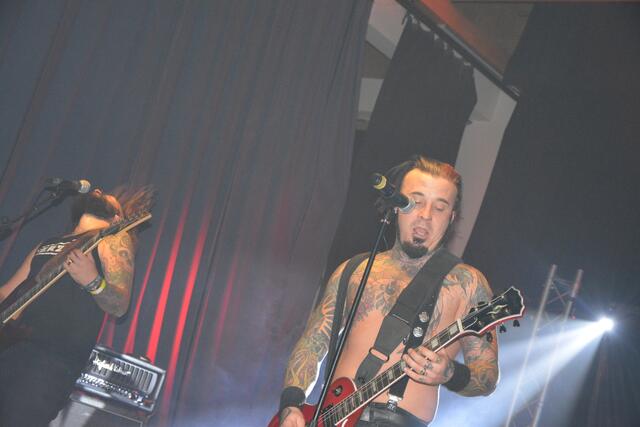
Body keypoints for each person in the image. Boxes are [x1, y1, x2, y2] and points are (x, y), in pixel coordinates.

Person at [278, 155, 499, 426]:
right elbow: (313, 343)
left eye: (440, 207)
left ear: (451, 217)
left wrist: (450, 373)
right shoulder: (355, 269)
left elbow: (487, 376)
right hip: (328, 417)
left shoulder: (469, 283)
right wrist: (291, 404)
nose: (426, 215)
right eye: (415, 202)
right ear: (396, 206)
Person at [0, 187, 151, 426]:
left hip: (50, 361)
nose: (99, 190)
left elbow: (119, 305)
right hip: (11, 347)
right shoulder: (48, 244)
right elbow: (7, 292)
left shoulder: (112, 239)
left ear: (117, 218)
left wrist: (92, 281)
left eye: (107, 196)